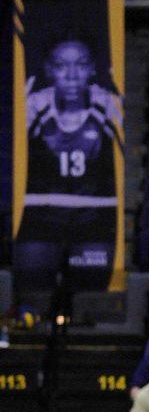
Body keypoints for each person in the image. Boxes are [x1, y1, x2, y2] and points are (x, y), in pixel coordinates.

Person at [13, 33, 122, 293]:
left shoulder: (107, 103)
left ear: (93, 69)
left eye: (81, 65)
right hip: (43, 218)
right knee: (32, 289)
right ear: (49, 70)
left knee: (92, 296)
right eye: (62, 66)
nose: (72, 75)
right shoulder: (34, 104)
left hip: (92, 219)